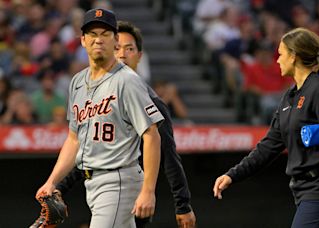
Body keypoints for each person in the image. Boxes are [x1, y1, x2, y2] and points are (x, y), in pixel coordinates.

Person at [31, 20, 196, 228]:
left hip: (124, 182)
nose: (123, 54)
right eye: (119, 49)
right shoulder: (82, 84)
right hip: (94, 184)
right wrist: (56, 184)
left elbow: (167, 153)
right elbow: (82, 144)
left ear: (139, 55)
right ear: (83, 40)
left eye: (129, 49)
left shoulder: (140, 92)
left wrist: (180, 203)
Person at [213, 27, 319, 228]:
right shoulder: (290, 96)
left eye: (280, 54)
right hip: (302, 190)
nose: (277, 60)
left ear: (294, 57)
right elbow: (269, 146)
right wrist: (232, 175)